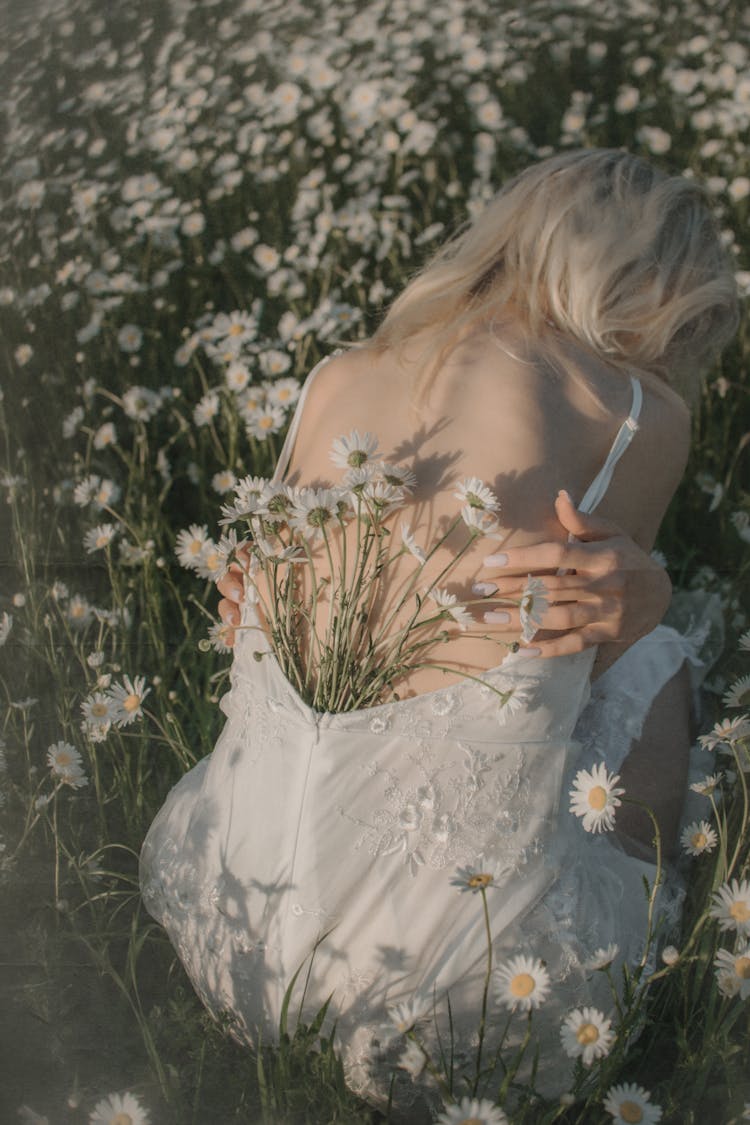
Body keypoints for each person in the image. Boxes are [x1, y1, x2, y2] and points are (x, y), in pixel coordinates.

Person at [140, 149, 738, 1115]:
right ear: (654, 296)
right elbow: (597, 632)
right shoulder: (633, 412)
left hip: (225, 916)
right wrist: (642, 605)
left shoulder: (334, 378)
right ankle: (654, 888)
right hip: (465, 996)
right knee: (657, 644)